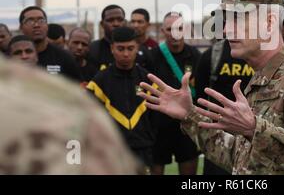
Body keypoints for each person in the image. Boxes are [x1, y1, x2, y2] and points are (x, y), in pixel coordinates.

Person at [138, 0, 284, 175]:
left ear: (269, 22)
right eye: (226, 20)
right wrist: (189, 115)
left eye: (238, 19)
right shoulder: (263, 79)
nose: (226, 29)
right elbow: (241, 159)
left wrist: (254, 129)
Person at [0, 54, 140, 174]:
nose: (24, 56)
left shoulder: (64, 97)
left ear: (36, 56)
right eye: (18, 52)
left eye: (28, 51)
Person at [86, 27, 158, 168]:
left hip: (142, 150)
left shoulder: (148, 80)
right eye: (120, 49)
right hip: (111, 150)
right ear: (112, 48)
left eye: (130, 48)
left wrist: (149, 138)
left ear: (137, 47)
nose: (126, 54)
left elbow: (156, 117)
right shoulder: (99, 81)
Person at [146, 11, 201, 175]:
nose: (174, 33)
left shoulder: (196, 56)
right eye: (169, 29)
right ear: (162, 31)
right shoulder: (151, 56)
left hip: (187, 126)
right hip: (158, 127)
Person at [194, 38, 254, 175]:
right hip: (219, 137)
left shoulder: (259, 53)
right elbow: (200, 97)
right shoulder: (211, 55)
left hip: (253, 136)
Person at [19, 6, 81, 82]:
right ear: (21, 28)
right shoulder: (12, 58)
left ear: (47, 26)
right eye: (30, 21)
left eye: (41, 20)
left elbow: (77, 90)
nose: (36, 25)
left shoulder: (65, 58)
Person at [90, 5, 153, 71]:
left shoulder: (142, 52)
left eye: (120, 20)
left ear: (125, 22)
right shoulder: (93, 49)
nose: (116, 24)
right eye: (110, 20)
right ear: (102, 24)